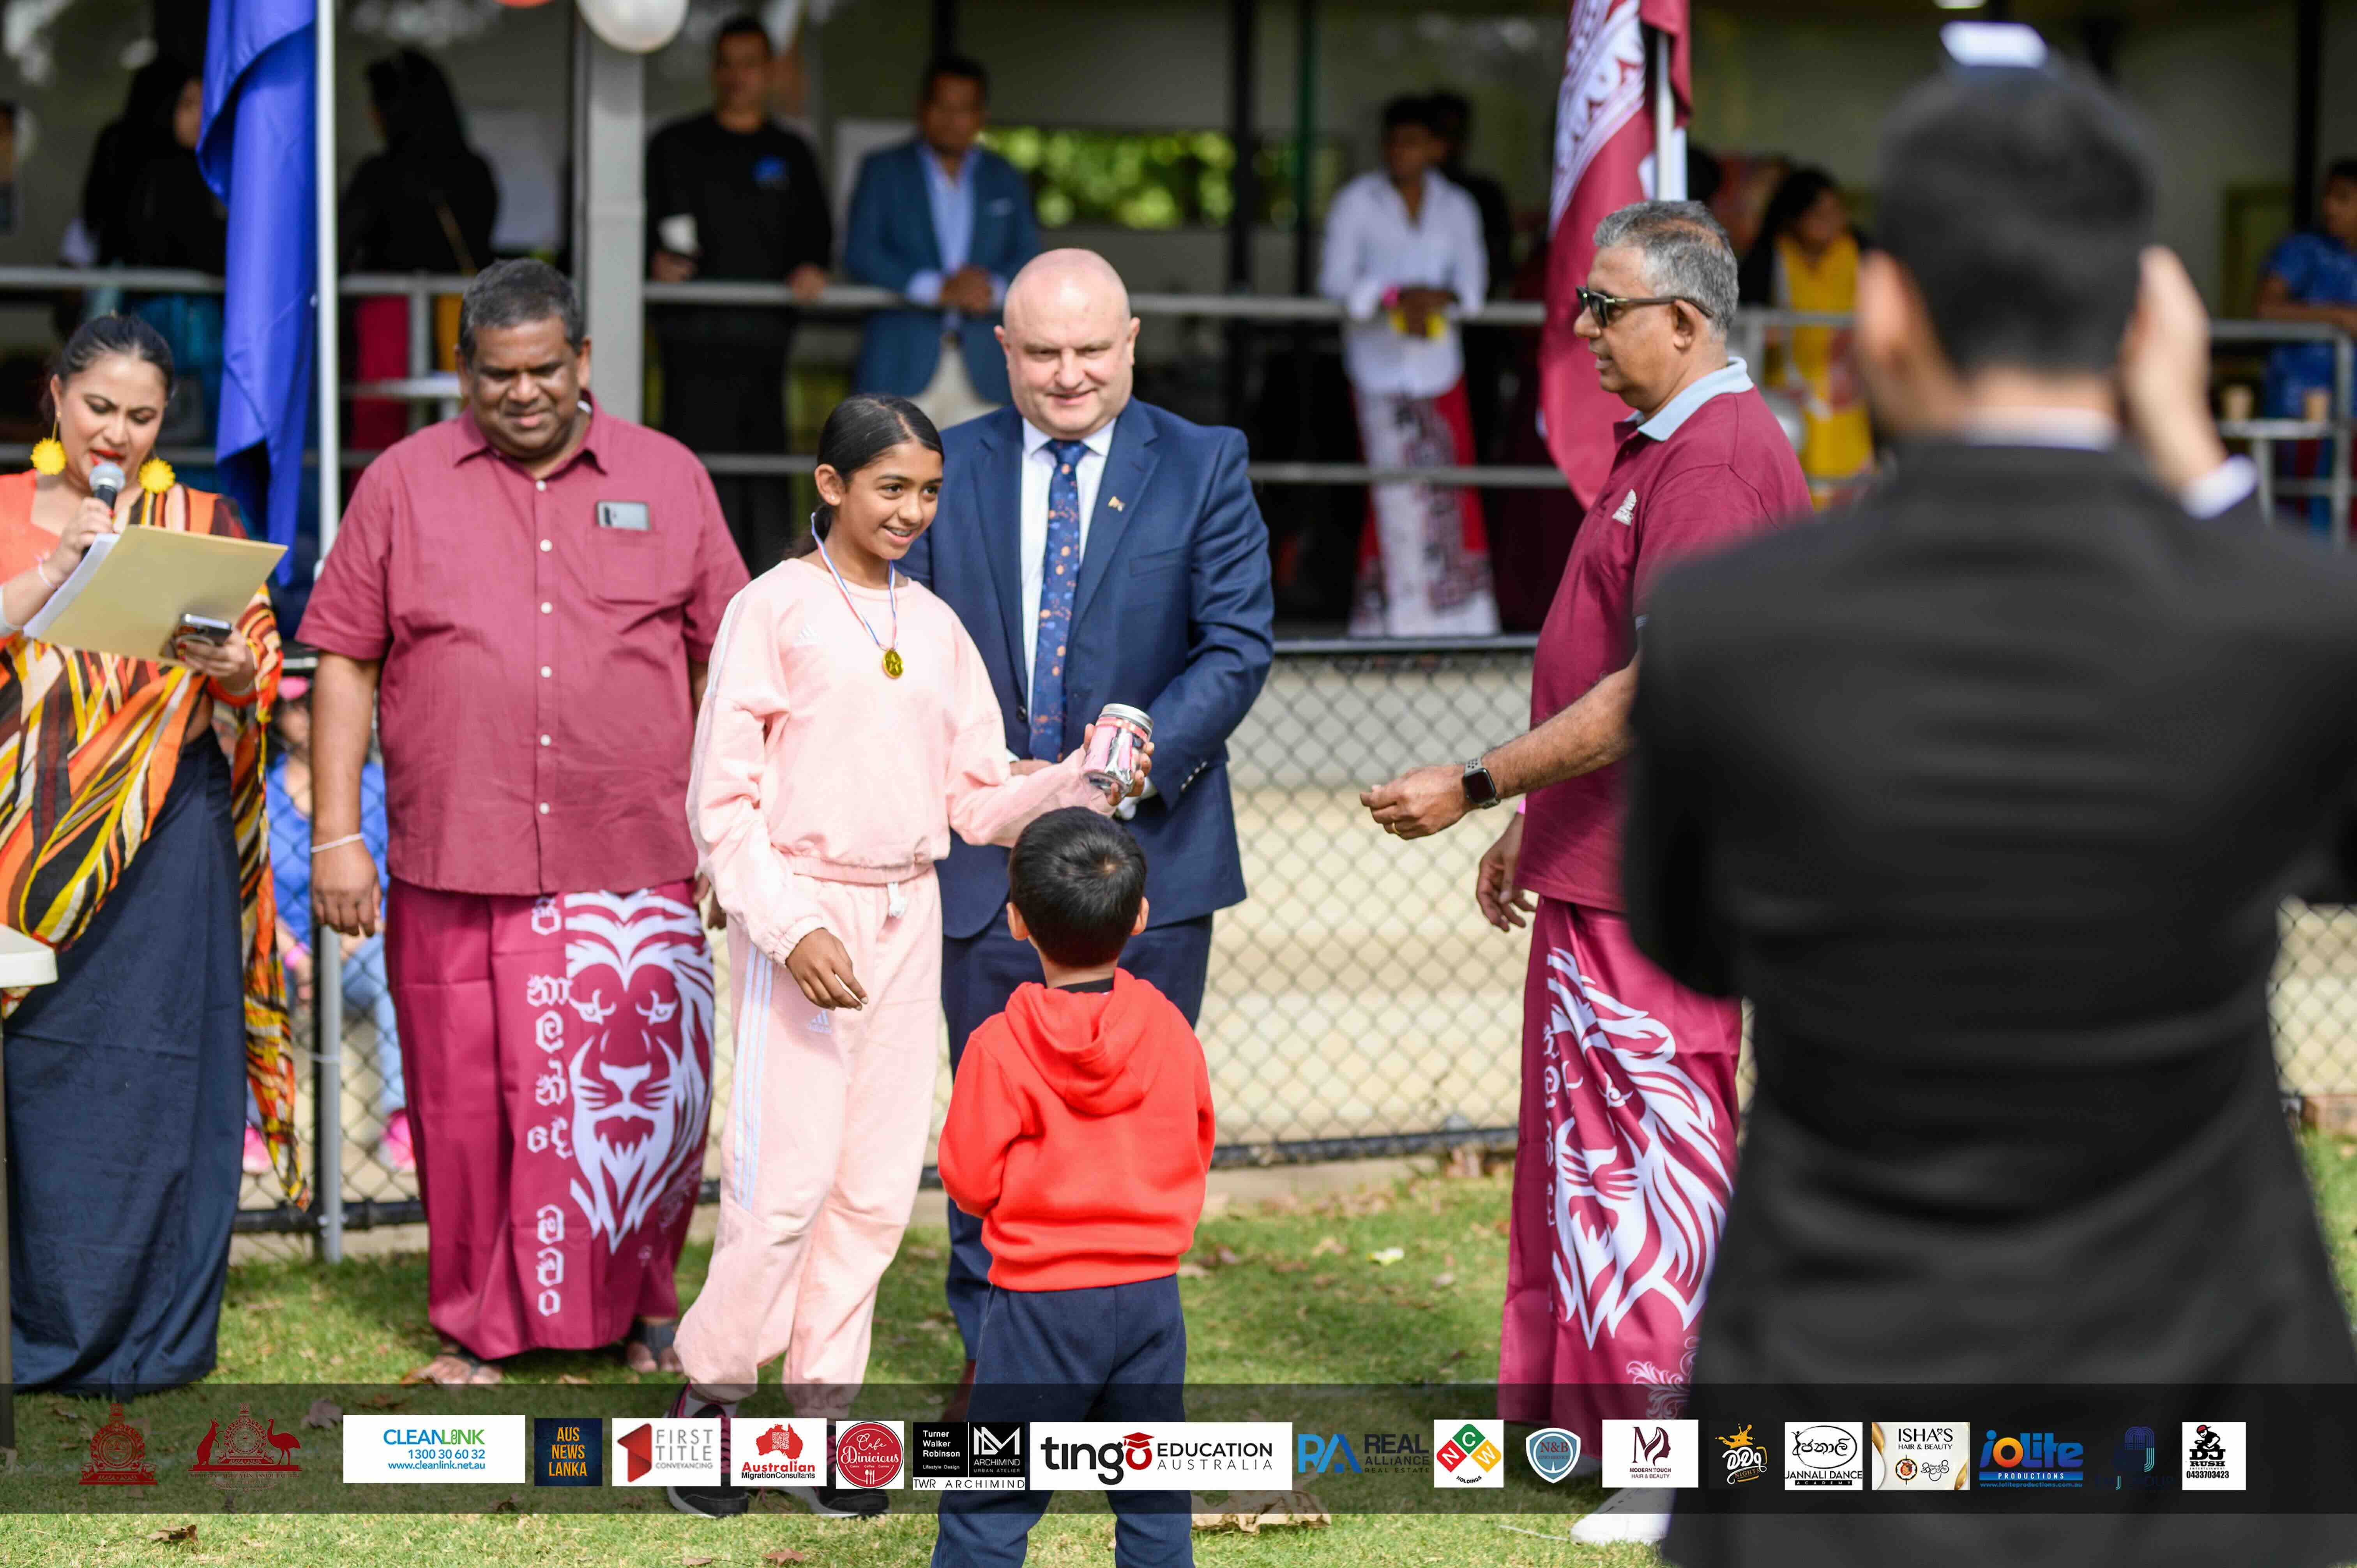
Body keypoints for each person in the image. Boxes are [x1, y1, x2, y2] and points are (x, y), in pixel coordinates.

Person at [1632, 61, 2357, 1568]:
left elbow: (1687, 937)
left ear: (1883, 310)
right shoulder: (2287, 625)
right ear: (2148, 317)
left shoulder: (1729, 627)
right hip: (2202, 1423)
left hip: (1832, 1412)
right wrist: (2205, 478)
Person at [1359, 200, 1808, 1543]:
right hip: (1602, 866)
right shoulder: (1667, 444)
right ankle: (1601, 1431)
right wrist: (1535, 821)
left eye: (1604, 308)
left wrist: (1477, 781)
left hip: (1657, 889)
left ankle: (1677, 1458)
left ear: (1683, 319)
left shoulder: (1711, 462)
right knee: (1586, 1162)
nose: (1584, 330)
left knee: (1649, 1167)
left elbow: (1660, 690)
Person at [661, 394, 1140, 1523]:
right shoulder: (771, 609)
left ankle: (822, 1417)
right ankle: (714, 1399)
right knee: (782, 1186)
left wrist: (1083, 776)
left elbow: (977, 795)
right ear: (830, 485)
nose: (913, 510)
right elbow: (720, 805)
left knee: (873, 1192)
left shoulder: (934, 625)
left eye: (928, 490)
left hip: (906, 911)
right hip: (802, 907)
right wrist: (791, 927)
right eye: (891, 487)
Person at [299, 260, 748, 1386]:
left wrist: (734, 829)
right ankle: (479, 1327)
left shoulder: (670, 476)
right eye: (499, 374)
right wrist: (337, 835)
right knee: (462, 1109)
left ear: (583, 360)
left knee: (637, 1100)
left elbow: (730, 664)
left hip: (631, 860)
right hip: (459, 853)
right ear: (464, 373)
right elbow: (345, 658)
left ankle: (644, 1308)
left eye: (546, 368)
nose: (525, 392)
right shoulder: (401, 483)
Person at [903, 248, 1274, 1414]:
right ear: (1002, 350)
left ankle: (1129, 1369)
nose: (1070, 374)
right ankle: (995, 1359)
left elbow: (1236, 644)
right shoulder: (944, 465)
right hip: (985, 865)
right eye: (1044, 352)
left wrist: (1138, 754)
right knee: (991, 1124)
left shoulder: (1205, 462)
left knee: (1133, 1133)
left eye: (1092, 350)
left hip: (1150, 861)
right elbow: (897, 634)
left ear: (1132, 341)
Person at [1, 314, 293, 1394]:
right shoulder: (6, 510)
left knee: (161, 1072)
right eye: (98, 408)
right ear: (56, 396)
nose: (115, 434)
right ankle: (29, 1324)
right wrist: (55, 571)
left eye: (141, 415)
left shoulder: (199, 523)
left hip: (166, 835)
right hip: (20, 854)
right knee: (33, 1077)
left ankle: (150, 1337)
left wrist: (230, 668)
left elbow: (258, 673)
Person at [931, 808, 1214, 1568]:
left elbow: (967, 1179)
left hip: (1037, 1306)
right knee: (1155, 1496)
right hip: (1151, 1301)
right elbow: (1195, 1141)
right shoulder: (1171, 1030)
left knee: (989, 1498)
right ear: (1141, 915)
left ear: (1016, 920)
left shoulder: (998, 1045)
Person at [647, 13, 832, 572]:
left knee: (763, 487)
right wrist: (652, 263)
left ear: (770, 72)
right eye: (726, 64)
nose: (737, 76)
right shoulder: (674, 145)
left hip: (763, 350)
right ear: (713, 70)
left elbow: (818, 240)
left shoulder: (792, 151)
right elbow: (633, 234)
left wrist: (811, 271)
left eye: (750, 64)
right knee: (690, 478)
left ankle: (765, 599)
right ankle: (682, 588)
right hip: (690, 349)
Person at [1320, 95, 1499, 637]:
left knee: (1447, 496)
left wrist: (1437, 297)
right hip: (1377, 371)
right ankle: (1393, 628)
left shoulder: (1457, 206)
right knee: (1393, 497)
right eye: (1395, 142)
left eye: (1415, 143)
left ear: (1437, 149)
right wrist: (1394, 295)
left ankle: (1458, 628)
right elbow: (1334, 282)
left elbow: (1474, 287)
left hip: (1439, 371)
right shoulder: (1357, 202)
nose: (1402, 152)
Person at [260, 675, 408, 1175]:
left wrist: (336, 952)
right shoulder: (262, 793)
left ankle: (401, 1116)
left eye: (317, 701)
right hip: (284, 954)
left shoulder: (378, 787)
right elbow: (252, 889)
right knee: (246, 966)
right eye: (297, 705)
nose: (308, 715)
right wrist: (300, 959)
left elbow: (395, 883)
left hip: (359, 945)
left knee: (391, 965)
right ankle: (253, 1121)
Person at [844, 55, 1038, 430]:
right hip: (901, 361)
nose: (952, 119)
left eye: (964, 109)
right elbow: (861, 252)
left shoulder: (1006, 177)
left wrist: (991, 288)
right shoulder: (883, 170)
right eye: (942, 106)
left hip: (985, 365)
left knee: (980, 469)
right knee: (891, 466)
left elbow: (1028, 256)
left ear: (981, 116)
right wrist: (936, 288)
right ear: (922, 108)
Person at [342, 50, 500, 459]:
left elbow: (341, 245)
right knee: (462, 435)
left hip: (388, 317)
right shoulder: (475, 171)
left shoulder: (379, 174)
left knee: (384, 434)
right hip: (459, 315)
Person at [1738, 167, 1872, 503]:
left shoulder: (1861, 250)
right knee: (1793, 493)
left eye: (1837, 213)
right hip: (1789, 403)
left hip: (1848, 405)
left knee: (1851, 494)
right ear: (1795, 218)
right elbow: (1741, 321)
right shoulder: (1769, 257)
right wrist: (1760, 331)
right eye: (1820, 215)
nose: (1832, 223)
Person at [2255, 158, 2357, 533]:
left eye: (2343, 197)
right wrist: (2340, 317)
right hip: (2298, 407)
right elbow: (2266, 310)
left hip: (2355, 415)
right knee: (2297, 515)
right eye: (2328, 196)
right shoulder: (2301, 250)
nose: (2330, 206)